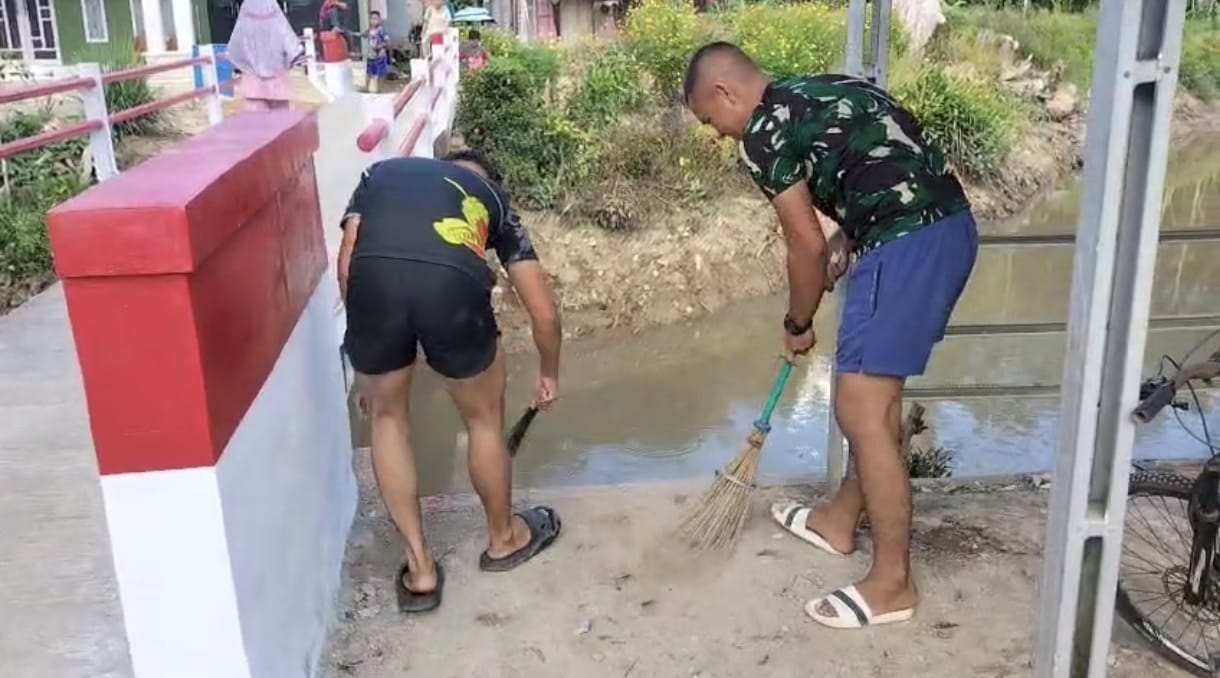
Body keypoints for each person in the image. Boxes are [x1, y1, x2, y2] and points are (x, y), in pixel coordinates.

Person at [683, 42, 978, 630]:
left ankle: (893, 582)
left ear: (725, 94)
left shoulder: (761, 134)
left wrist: (797, 323)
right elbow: (877, 160)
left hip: (903, 245)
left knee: (861, 409)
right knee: (874, 404)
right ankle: (840, 519)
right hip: (947, 230)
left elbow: (804, 246)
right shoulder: (819, 89)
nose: (719, 136)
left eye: (712, 123)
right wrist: (853, 227)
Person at [337, 149, 564, 613]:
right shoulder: (493, 200)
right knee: (483, 420)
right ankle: (503, 539)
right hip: (451, 288)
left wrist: (367, 357)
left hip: (373, 283)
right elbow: (543, 311)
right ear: (485, 180)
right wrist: (549, 372)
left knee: (387, 420)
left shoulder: (382, 174)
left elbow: (348, 265)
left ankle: (419, 569)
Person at [226, 0, 301, 112]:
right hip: (277, 80)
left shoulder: (246, 8)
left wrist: (243, 65)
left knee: (258, 125)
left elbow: (236, 45)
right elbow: (287, 37)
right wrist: (290, 58)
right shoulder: (272, 6)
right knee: (280, 123)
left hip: (253, 83)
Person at [366, 10, 390, 93]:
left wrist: (379, 46)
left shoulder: (381, 30)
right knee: (370, 73)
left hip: (379, 56)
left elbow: (387, 42)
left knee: (379, 74)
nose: (373, 21)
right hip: (371, 55)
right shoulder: (369, 30)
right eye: (371, 19)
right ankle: (371, 89)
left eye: (375, 19)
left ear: (379, 20)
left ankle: (379, 90)